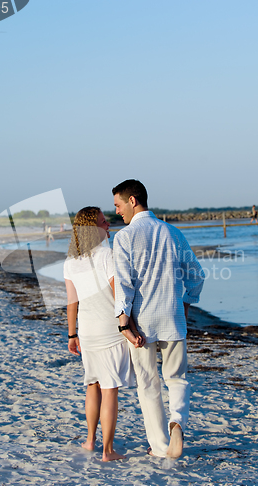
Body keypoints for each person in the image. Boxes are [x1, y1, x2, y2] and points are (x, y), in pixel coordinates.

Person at [112, 179, 205, 459]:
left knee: (148, 382)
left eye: (118, 205)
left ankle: (161, 446)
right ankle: (177, 421)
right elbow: (197, 275)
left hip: (142, 320)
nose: (117, 211)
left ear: (132, 200)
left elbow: (124, 284)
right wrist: (187, 302)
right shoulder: (173, 233)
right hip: (173, 317)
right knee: (177, 378)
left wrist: (123, 322)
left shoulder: (125, 237)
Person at [64, 206, 144, 462]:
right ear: (92, 227)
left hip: (87, 332)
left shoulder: (70, 261)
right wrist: (130, 326)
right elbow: (118, 295)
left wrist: (71, 334)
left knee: (92, 385)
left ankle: (90, 441)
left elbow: (71, 302)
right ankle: (108, 451)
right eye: (102, 221)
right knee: (110, 389)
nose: (107, 223)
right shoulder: (107, 255)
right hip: (109, 331)